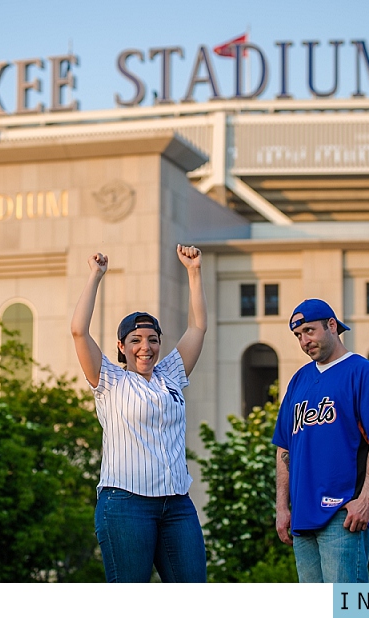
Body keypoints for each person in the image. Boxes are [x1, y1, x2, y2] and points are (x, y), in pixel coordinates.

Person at [70, 244, 208, 583]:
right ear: (121, 346)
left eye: (152, 339)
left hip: (176, 506)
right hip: (126, 506)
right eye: (135, 340)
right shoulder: (109, 379)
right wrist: (96, 276)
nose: (145, 347)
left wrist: (193, 272)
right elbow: (78, 331)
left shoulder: (171, 375)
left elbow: (198, 328)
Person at [272, 298, 369, 583]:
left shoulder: (362, 372)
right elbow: (284, 447)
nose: (304, 341)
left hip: (342, 516)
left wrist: (366, 500)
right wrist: (282, 508)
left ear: (332, 325)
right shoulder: (298, 380)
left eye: (309, 331)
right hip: (303, 520)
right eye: (298, 336)